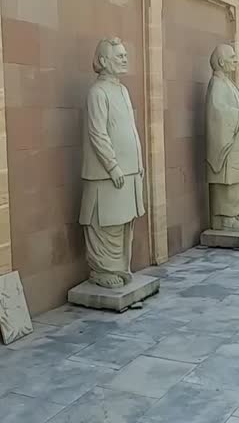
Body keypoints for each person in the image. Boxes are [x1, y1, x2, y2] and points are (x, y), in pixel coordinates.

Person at [79, 38, 145, 289]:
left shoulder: (121, 90)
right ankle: (102, 269)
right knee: (106, 222)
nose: (125, 59)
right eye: (119, 56)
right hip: (108, 174)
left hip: (128, 172)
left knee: (123, 221)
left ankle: (118, 268)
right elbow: (97, 133)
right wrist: (113, 166)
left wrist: (137, 163)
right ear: (104, 61)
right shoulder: (98, 92)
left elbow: (128, 129)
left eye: (125, 55)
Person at [205, 44, 239, 231]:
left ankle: (233, 215)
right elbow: (218, 114)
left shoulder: (228, 83)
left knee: (236, 181)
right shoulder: (216, 84)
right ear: (221, 61)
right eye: (232, 57)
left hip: (236, 142)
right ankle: (225, 218)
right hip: (227, 146)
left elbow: (230, 110)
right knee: (228, 181)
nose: (236, 61)